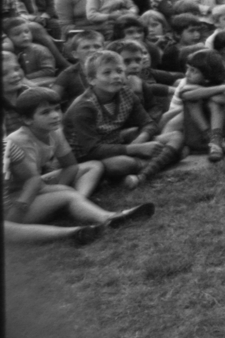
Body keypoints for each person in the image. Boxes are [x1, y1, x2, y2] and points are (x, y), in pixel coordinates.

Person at [4, 88, 152, 245]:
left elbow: (71, 166)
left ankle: (78, 203)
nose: (55, 115)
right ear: (27, 120)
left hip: (36, 186)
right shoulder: (19, 141)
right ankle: (107, 217)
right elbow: (31, 183)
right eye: (45, 112)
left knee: (93, 166)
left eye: (57, 109)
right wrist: (61, 191)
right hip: (19, 196)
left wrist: (60, 187)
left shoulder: (54, 131)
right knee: (66, 194)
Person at [63, 49, 185, 189]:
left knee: (176, 136)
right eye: (107, 73)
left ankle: (141, 175)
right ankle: (165, 159)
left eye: (119, 71)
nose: (116, 76)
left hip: (118, 142)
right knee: (122, 164)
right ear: (91, 80)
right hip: (87, 157)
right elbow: (92, 149)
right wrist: (135, 149)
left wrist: (140, 141)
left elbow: (148, 123)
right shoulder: (84, 107)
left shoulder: (126, 93)